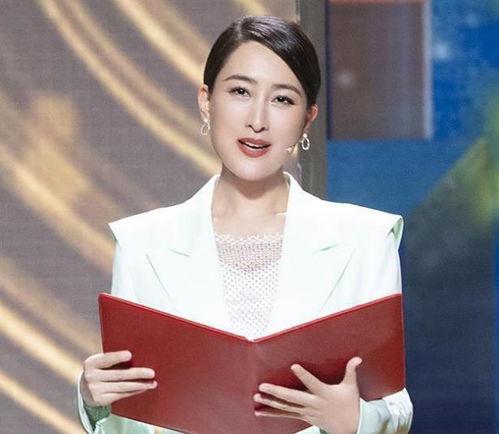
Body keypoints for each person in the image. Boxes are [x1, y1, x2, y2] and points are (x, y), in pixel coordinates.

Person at [77, 15, 413, 434]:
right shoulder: (142, 243)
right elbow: (136, 415)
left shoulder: (366, 239)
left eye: (283, 100)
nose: (258, 119)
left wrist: (354, 420)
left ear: (307, 119)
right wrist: (94, 401)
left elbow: (395, 404)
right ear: (206, 101)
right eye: (240, 91)